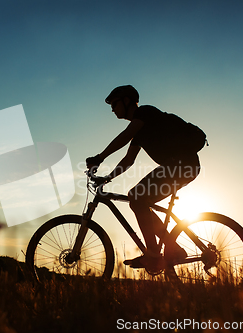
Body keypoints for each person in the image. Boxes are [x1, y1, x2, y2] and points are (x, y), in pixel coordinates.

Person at [86, 85, 201, 270]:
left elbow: (125, 136)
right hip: (177, 167)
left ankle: (153, 255)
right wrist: (107, 178)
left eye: (114, 103)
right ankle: (174, 251)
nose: (112, 108)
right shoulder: (139, 130)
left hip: (182, 165)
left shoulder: (146, 113)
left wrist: (100, 157)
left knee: (137, 196)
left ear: (126, 101)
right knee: (138, 198)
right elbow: (128, 160)